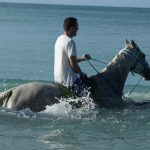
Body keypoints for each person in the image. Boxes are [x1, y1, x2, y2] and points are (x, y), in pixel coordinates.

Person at [54, 17, 91, 97]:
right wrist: (82, 73)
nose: (78, 29)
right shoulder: (70, 42)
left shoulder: (59, 39)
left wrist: (82, 58)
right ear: (71, 28)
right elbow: (73, 65)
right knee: (90, 98)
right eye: (76, 27)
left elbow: (68, 61)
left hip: (58, 79)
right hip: (69, 81)